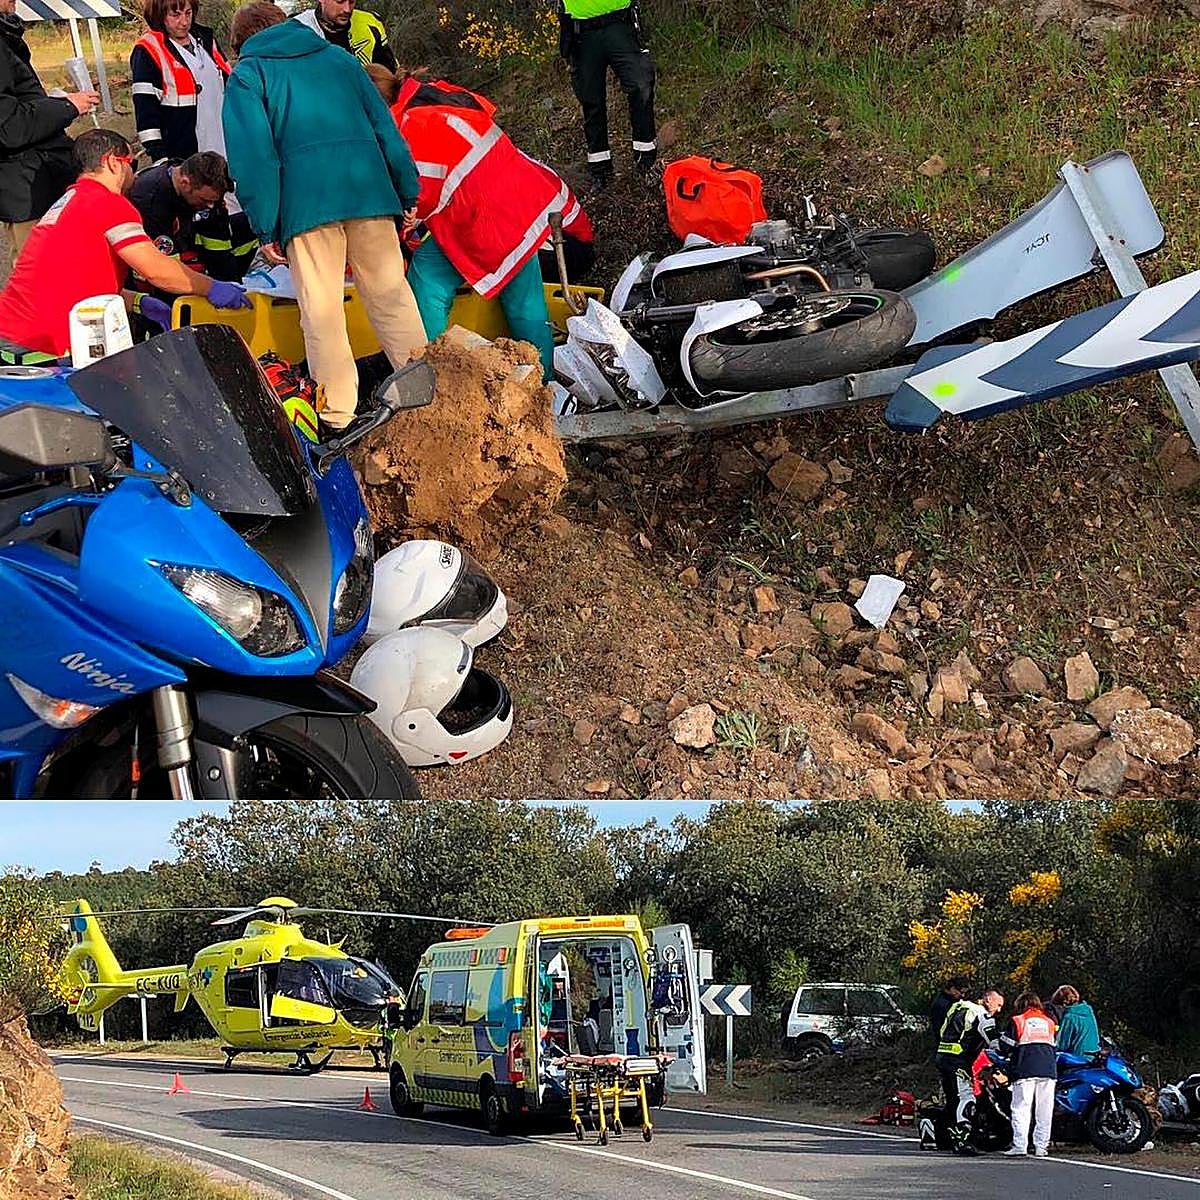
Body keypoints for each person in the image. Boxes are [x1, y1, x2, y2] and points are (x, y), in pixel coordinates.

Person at [223, 2, 425, 434]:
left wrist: (266, 225)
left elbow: (253, 159)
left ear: (240, 42)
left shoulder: (248, 74)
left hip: (306, 207)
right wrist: (407, 188)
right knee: (392, 297)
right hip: (369, 192)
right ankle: (427, 391)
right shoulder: (338, 58)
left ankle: (337, 417)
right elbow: (384, 127)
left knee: (322, 311)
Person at [376, 69, 564, 379]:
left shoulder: (410, 125)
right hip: (518, 203)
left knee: (427, 282)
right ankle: (547, 384)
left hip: (483, 215)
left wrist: (401, 222)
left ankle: (436, 375)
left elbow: (419, 193)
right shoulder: (434, 95)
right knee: (525, 299)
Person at [0, 128, 249, 359]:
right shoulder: (109, 204)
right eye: (131, 164)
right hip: (41, 343)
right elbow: (156, 270)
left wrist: (138, 302)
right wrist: (212, 288)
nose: (134, 174)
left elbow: (81, 282)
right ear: (113, 162)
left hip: (14, 331)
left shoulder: (68, 203)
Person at [0, 0, 98, 260]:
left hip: (37, 177)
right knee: (39, 276)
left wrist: (54, 103)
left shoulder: (7, 37)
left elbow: (20, 103)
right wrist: (67, 107)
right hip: (26, 189)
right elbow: (8, 127)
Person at [557, 0, 656, 189]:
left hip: (620, 23)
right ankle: (600, 169)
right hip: (581, 32)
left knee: (640, 86)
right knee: (591, 101)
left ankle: (646, 159)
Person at [131, 0, 232, 165]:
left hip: (222, 140)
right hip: (183, 152)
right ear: (160, 15)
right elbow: (145, 110)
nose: (184, 22)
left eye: (188, 13)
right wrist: (161, 159)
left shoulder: (206, 39)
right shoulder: (148, 49)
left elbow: (229, 82)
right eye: (175, 15)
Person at [130, 150, 256, 282]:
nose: (211, 206)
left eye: (215, 201)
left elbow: (217, 236)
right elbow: (164, 267)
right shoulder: (151, 201)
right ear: (185, 184)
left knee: (250, 225)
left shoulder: (204, 182)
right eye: (205, 200)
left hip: (191, 240)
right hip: (160, 261)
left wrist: (229, 283)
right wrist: (207, 287)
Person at [934, 985, 1004, 1156]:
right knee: (966, 1097)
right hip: (959, 1060)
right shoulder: (982, 1015)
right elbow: (995, 1042)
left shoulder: (958, 1007)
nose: (1000, 1009)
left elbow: (942, 1030)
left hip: (942, 1056)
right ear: (988, 1000)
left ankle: (945, 1138)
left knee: (952, 1099)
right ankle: (963, 1140)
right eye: (999, 1004)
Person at [996, 992, 1058, 1158]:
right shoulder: (1049, 1022)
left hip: (1024, 1068)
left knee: (1021, 1108)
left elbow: (1005, 1046)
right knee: (1044, 1110)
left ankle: (1020, 1145)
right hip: (1048, 1069)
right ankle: (1041, 1147)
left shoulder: (1018, 1021)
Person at [293, 0, 396, 70]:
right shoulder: (297, 29)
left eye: (351, 1)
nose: (347, 9)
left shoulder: (370, 22)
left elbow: (390, 71)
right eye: (340, 1)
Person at [1051, 985, 1101, 1058]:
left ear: (1064, 1004)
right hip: (1094, 1055)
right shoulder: (1089, 1012)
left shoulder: (1069, 1017)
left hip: (1078, 1057)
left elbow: (1062, 1045)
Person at [929, 977, 967, 1041]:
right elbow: (938, 1027)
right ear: (952, 989)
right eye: (961, 992)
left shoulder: (952, 1001)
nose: (963, 995)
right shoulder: (941, 1004)